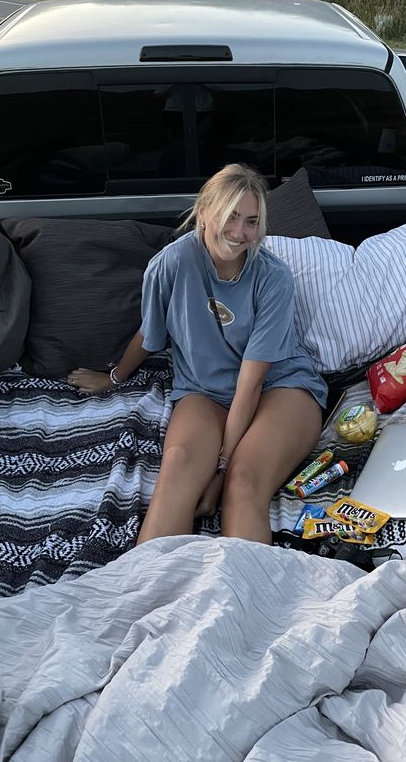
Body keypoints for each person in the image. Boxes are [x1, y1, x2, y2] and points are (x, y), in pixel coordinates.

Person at [67, 163, 327, 545]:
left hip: (279, 388)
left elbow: (250, 385)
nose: (240, 232)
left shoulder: (274, 278)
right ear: (204, 212)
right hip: (204, 392)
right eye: (230, 216)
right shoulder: (171, 264)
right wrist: (112, 378)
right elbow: (150, 334)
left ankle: (246, 600)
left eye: (252, 221)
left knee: (243, 481)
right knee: (176, 470)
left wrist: (220, 472)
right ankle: (146, 595)